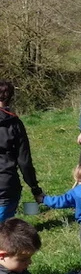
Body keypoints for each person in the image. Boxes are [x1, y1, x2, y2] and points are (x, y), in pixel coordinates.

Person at [0, 81, 44, 223]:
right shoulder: (15, 124)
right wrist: (35, 188)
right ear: (11, 97)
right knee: (5, 231)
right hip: (6, 185)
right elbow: (24, 162)